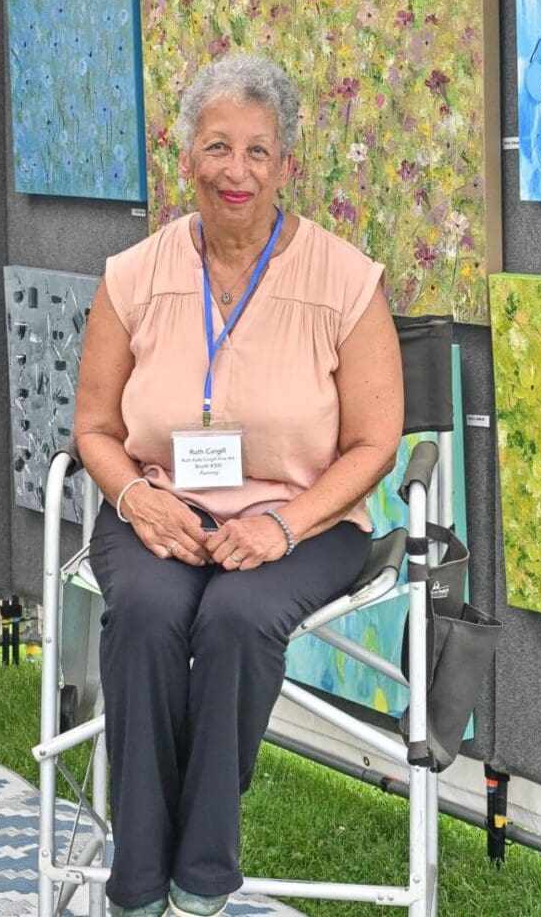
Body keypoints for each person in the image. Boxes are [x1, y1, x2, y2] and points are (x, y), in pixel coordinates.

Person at [73, 53, 404, 917]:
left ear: (286, 167)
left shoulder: (346, 281)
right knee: (146, 615)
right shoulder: (131, 276)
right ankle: (139, 883)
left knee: (235, 619)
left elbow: (375, 443)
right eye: (219, 147)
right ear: (186, 157)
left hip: (305, 517)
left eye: (259, 152)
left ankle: (201, 873)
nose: (237, 172)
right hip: (156, 505)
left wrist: (285, 527)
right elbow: (94, 429)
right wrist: (133, 497)